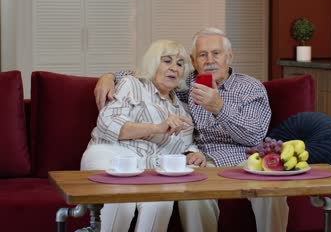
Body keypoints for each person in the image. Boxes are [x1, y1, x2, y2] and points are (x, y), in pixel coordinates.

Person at [95, 27, 289, 231]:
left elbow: (255, 135)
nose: (209, 60)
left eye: (216, 53)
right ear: (193, 61)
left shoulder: (250, 87)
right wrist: (109, 76)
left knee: (270, 187)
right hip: (201, 159)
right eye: (202, 55)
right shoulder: (185, 83)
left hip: (242, 156)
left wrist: (219, 108)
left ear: (229, 57)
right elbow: (150, 73)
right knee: (191, 191)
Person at [81, 39, 208, 232]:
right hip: (109, 153)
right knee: (121, 202)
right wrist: (156, 128)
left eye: (180, 64)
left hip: (148, 169)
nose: (174, 68)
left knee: (162, 202)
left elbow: (185, 146)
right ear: (153, 63)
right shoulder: (132, 85)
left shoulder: (182, 112)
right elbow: (108, 124)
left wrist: (192, 154)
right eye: (167, 61)